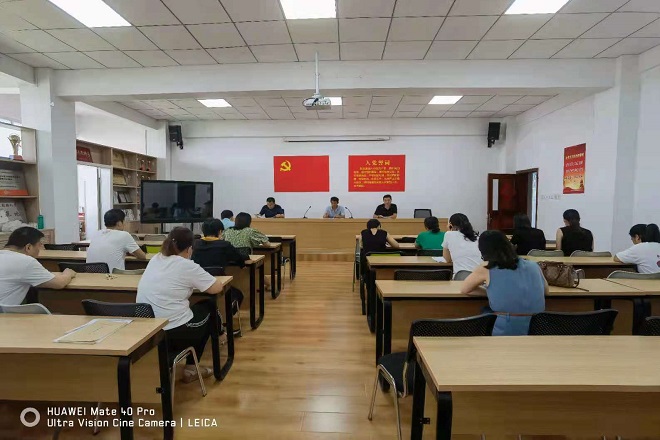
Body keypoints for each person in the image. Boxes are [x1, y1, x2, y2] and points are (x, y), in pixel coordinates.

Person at [137, 227, 227, 383]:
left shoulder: (156, 259)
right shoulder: (186, 265)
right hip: (172, 332)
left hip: (148, 331)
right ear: (189, 249)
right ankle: (191, 368)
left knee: (194, 311)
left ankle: (188, 362)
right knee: (209, 307)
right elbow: (216, 288)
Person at [461, 230, 547, 336]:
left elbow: (465, 289)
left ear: (483, 251)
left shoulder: (486, 267)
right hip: (538, 330)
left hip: (505, 331)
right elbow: (545, 291)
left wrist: (492, 292)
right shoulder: (534, 265)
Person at [0, 227, 76, 305]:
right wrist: (68, 273)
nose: (40, 250)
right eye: (39, 246)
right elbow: (59, 283)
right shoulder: (26, 261)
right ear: (28, 247)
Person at [222, 212, 272, 290]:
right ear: (249, 222)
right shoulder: (251, 231)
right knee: (257, 269)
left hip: (228, 261)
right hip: (246, 261)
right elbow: (267, 244)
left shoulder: (227, 231)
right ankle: (268, 285)